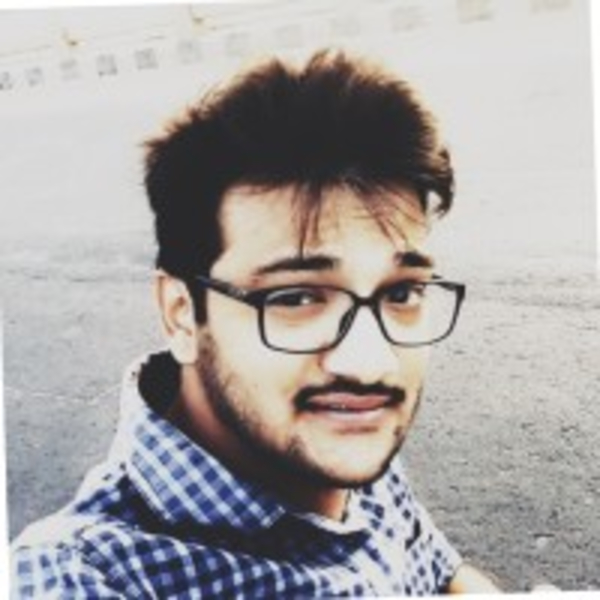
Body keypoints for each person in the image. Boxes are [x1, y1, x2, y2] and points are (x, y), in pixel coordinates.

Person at [11, 49, 503, 597]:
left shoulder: (344, 428)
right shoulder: (80, 578)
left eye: (402, 292)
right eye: (295, 297)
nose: (371, 363)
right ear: (181, 314)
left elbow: (439, 570)